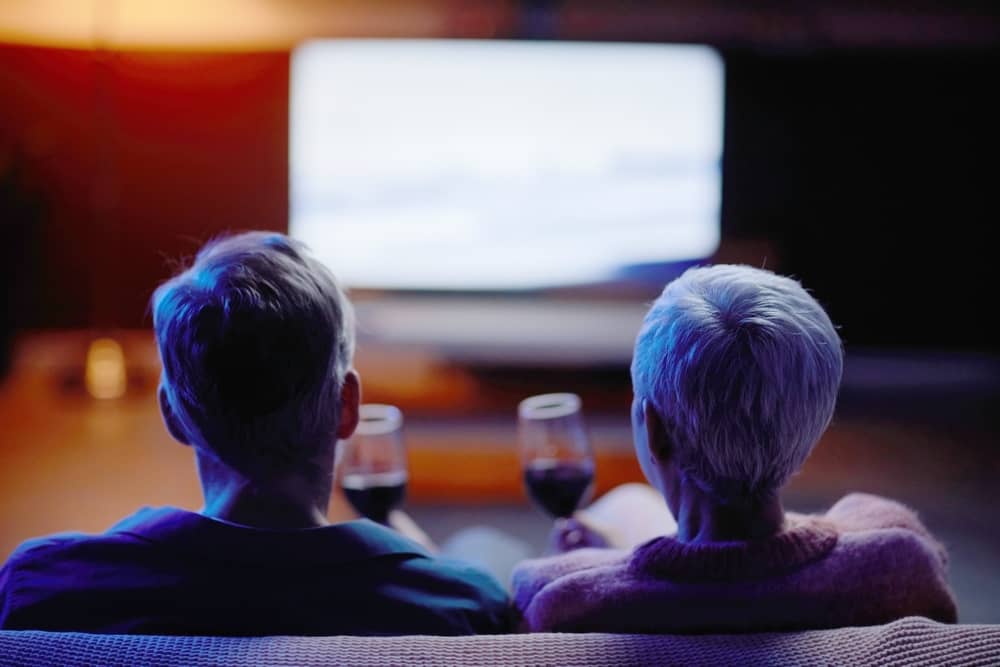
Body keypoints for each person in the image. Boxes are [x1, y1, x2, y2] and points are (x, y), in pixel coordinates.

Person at [0, 231, 510, 636]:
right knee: (485, 544)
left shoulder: (43, 588)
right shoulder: (462, 607)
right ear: (346, 405)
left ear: (172, 415)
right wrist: (421, 562)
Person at [512, 264, 958, 633]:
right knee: (631, 508)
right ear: (815, 423)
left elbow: (663, 587)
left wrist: (604, 562)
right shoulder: (898, 563)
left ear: (654, 431)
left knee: (484, 543)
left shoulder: (560, 597)